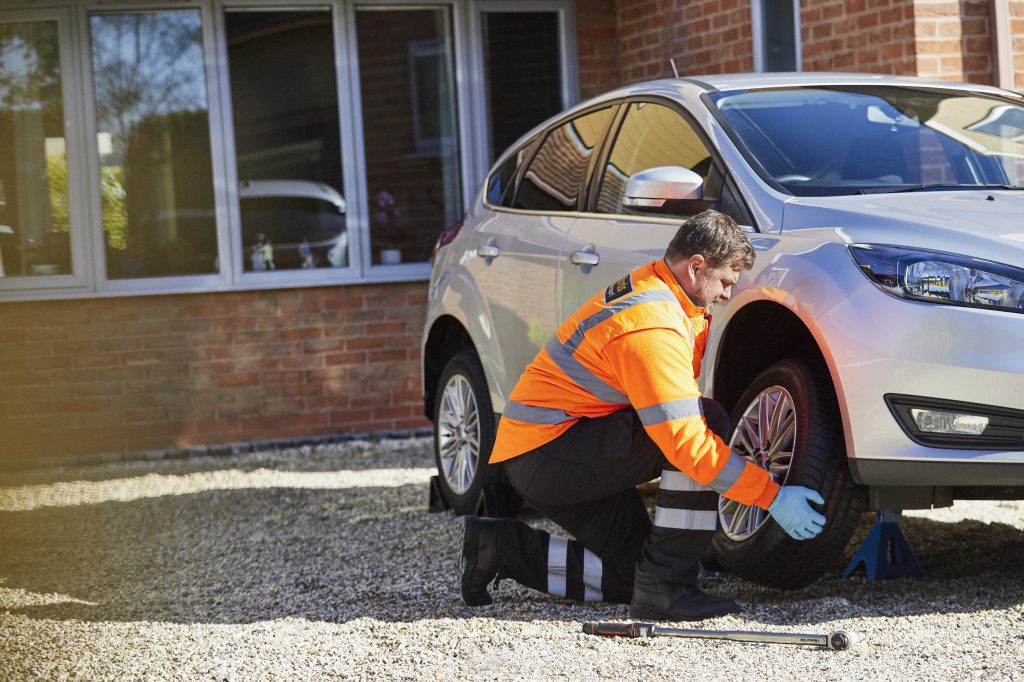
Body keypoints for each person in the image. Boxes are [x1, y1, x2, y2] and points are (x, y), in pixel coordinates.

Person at [459, 210, 826, 621]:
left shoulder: (656, 288)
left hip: (548, 448)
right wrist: (771, 497)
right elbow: (687, 445)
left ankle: (497, 548)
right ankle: (669, 588)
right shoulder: (652, 326)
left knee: (632, 577)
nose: (727, 294)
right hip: (551, 453)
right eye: (725, 281)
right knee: (706, 424)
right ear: (697, 266)